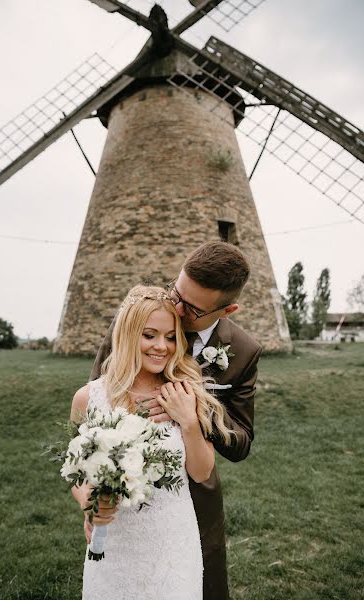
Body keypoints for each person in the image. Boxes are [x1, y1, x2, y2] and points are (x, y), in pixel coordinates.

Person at [90, 241, 262, 600]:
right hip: (127, 484)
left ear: (227, 309)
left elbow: (241, 442)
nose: (176, 308)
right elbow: (99, 401)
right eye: (175, 291)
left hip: (195, 493)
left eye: (192, 308)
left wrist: (193, 414)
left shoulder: (243, 351)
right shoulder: (135, 318)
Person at [70, 285, 231, 600]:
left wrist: (188, 422)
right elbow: (77, 468)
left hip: (172, 543)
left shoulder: (185, 392)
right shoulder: (89, 397)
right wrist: (88, 505)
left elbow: (201, 473)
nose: (162, 346)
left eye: (171, 337)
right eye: (150, 335)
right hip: (114, 543)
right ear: (129, 335)